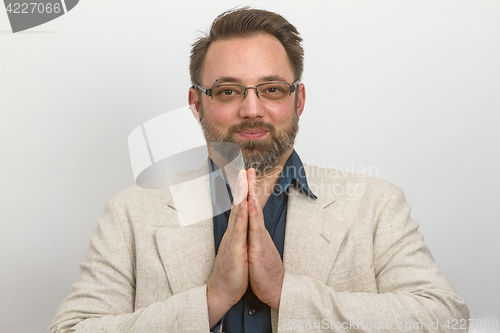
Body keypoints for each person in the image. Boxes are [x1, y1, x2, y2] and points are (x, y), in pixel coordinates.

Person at [50, 7, 469, 333]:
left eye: (271, 89)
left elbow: (445, 318)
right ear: (197, 104)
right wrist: (211, 300)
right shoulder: (129, 214)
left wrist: (287, 293)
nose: (252, 109)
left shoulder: (377, 205)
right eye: (229, 91)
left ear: (298, 100)